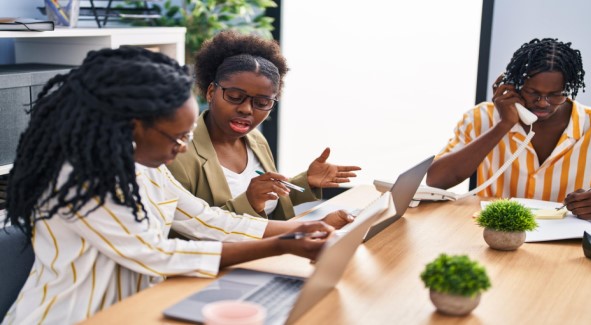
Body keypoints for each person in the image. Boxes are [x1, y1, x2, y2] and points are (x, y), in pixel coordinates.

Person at [2, 47, 352, 324]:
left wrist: (299, 228)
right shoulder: (81, 178)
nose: (185, 146)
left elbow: (205, 219)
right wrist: (281, 244)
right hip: (73, 317)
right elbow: (154, 254)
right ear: (134, 125)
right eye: (179, 136)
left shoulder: (145, 166)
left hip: (137, 309)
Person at [167, 30, 361, 220]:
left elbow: (269, 202)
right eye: (235, 97)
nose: (247, 109)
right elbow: (189, 229)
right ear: (211, 92)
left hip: (274, 246)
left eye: (261, 103)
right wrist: (249, 202)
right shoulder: (177, 154)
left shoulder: (255, 140)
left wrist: (307, 182)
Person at [426, 38, 591, 221]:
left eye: (555, 95)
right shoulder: (481, 118)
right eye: (533, 92)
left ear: (569, 89)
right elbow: (435, 181)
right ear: (513, 85)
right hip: (497, 235)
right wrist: (503, 125)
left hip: (566, 243)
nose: (542, 102)